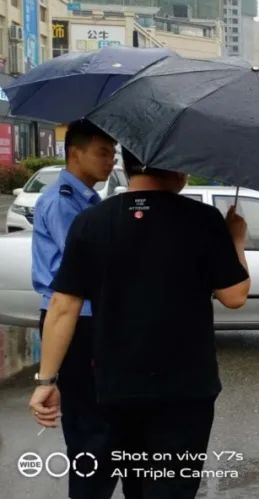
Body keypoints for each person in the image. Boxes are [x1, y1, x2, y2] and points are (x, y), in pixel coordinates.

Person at [29, 148, 251, 498]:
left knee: (134, 481)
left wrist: (47, 379)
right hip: (185, 390)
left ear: (126, 166)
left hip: (116, 386)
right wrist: (236, 240)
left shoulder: (92, 221)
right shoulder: (204, 220)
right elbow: (235, 295)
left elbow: (63, 306)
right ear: (177, 169)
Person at [30, 119, 121, 498]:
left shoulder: (86, 199)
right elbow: (84, 266)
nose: (110, 162)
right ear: (75, 153)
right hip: (73, 321)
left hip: (82, 318)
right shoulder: (65, 201)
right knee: (89, 429)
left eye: (113, 155)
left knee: (100, 423)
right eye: (102, 153)